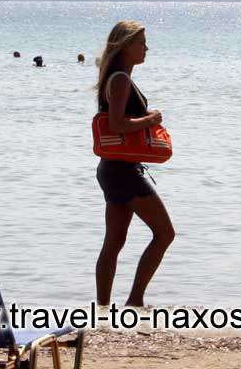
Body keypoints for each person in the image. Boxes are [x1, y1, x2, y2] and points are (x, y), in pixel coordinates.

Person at [94, 21, 174, 307]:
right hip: (123, 171)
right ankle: (135, 300)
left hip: (113, 168)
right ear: (126, 46)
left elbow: (119, 119)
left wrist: (144, 115)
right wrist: (151, 119)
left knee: (113, 242)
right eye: (141, 42)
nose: (146, 48)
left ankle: (103, 310)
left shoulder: (117, 78)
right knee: (165, 233)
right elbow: (117, 124)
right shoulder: (119, 80)